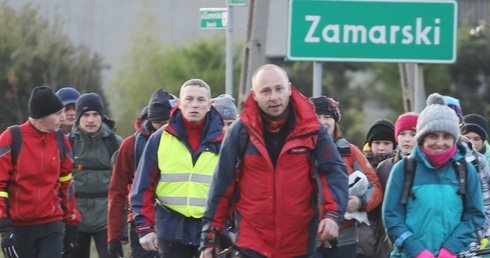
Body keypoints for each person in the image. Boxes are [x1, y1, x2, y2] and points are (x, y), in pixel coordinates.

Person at [199, 64, 349, 258]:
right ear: (254, 95)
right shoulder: (240, 131)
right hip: (251, 245)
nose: (274, 97)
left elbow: (333, 171)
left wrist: (332, 215)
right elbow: (221, 185)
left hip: (299, 245)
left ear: (289, 88)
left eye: (279, 89)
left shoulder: (311, 128)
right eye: (266, 91)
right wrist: (209, 239)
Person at [383, 93, 485, 258]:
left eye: (446, 136)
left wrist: (449, 250)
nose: (440, 142)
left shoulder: (466, 171)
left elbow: (475, 217)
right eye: (433, 136)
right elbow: (392, 218)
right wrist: (417, 251)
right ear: (422, 138)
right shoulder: (403, 169)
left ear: (455, 138)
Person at [130, 79, 224, 258]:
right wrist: (145, 228)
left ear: (210, 105)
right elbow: (142, 187)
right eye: (188, 99)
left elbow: (236, 188)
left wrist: (230, 228)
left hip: (211, 232)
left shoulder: (224, 140)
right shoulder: (160, 138)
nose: (194, 105)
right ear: (180, 104)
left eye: (200, 100)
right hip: (170, 231)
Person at [0, 86, 80, 258]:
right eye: (58, 113)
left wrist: (72, 224)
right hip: (19, 226)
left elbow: (67, 184)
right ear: (42, 116)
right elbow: (0, 186)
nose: (64, 117)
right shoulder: (11, 138)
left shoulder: (61, 140)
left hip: (52, 224)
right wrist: (5, 228)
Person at [310, 96, 382, 258]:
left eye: (327, 117)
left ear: (335, 121)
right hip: (305, 238)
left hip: (343, 240)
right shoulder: (298, 152)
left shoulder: (351, 153)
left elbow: (375, 187)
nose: (323, 122)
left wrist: (360, 202)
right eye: (317, 117)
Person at [107, 88, 176, 258]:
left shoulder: (181, 140)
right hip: (140, 222)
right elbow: (117, 191)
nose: (165, 129)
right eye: (161, 124)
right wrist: (113, 236)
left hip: (174, 220)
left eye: (170, 122)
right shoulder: (130, 146)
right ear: (151, 120)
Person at [69, 93, 123, 258]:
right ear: (78, 118)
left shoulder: (116, 144)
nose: (90, 120)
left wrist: (124, 227)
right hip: (76, 217)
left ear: (102, 116)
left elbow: (125, 186)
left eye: (95, 114)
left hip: (106, 217)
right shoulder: (67, 144)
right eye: (85, 115)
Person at [358, 118, 397, 258]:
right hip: (362, 234)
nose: (381, 147)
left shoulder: (397, 167)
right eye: (377, 143)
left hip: (387, 234)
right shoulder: (360, 166)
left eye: (386, 143)